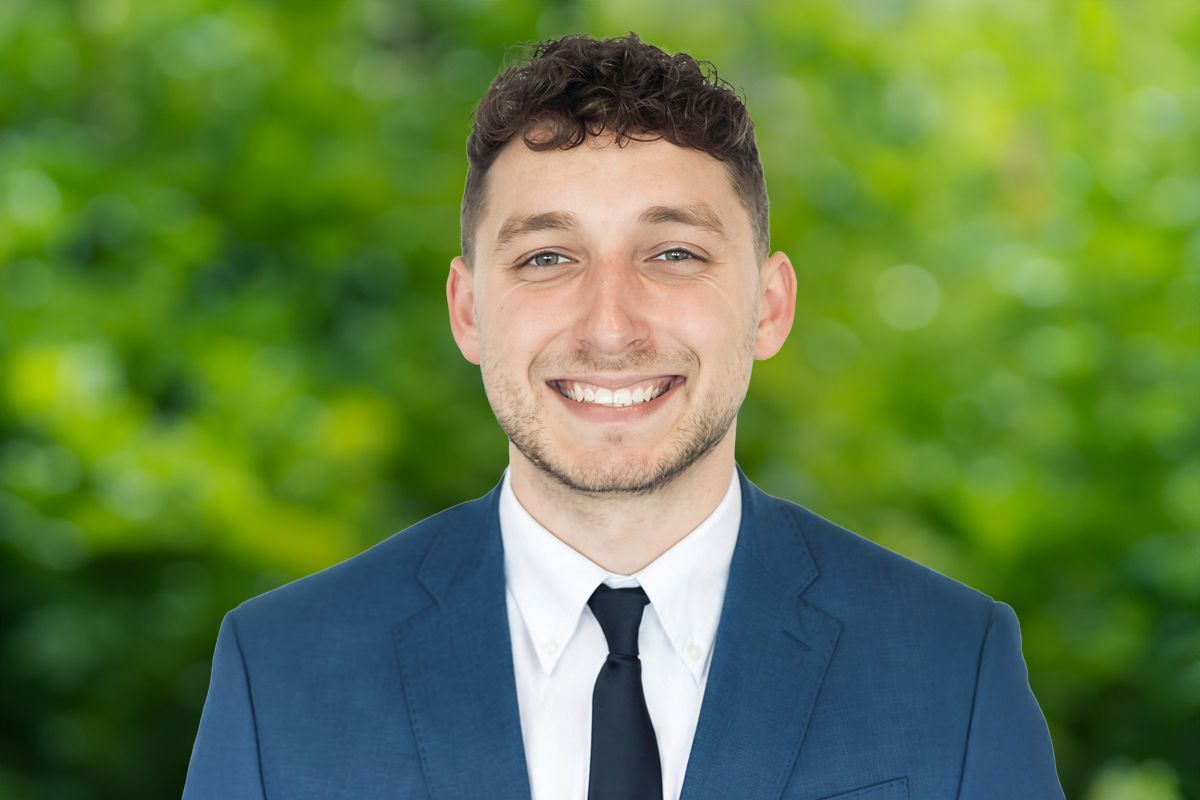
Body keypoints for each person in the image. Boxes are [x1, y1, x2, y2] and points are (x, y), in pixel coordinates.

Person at [183, 33, 1064, 800]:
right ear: (467, 311)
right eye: (547, 257)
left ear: (768, 306)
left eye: (673, 253)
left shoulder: (954, 666)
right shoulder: (280, 673)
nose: (610, 327)